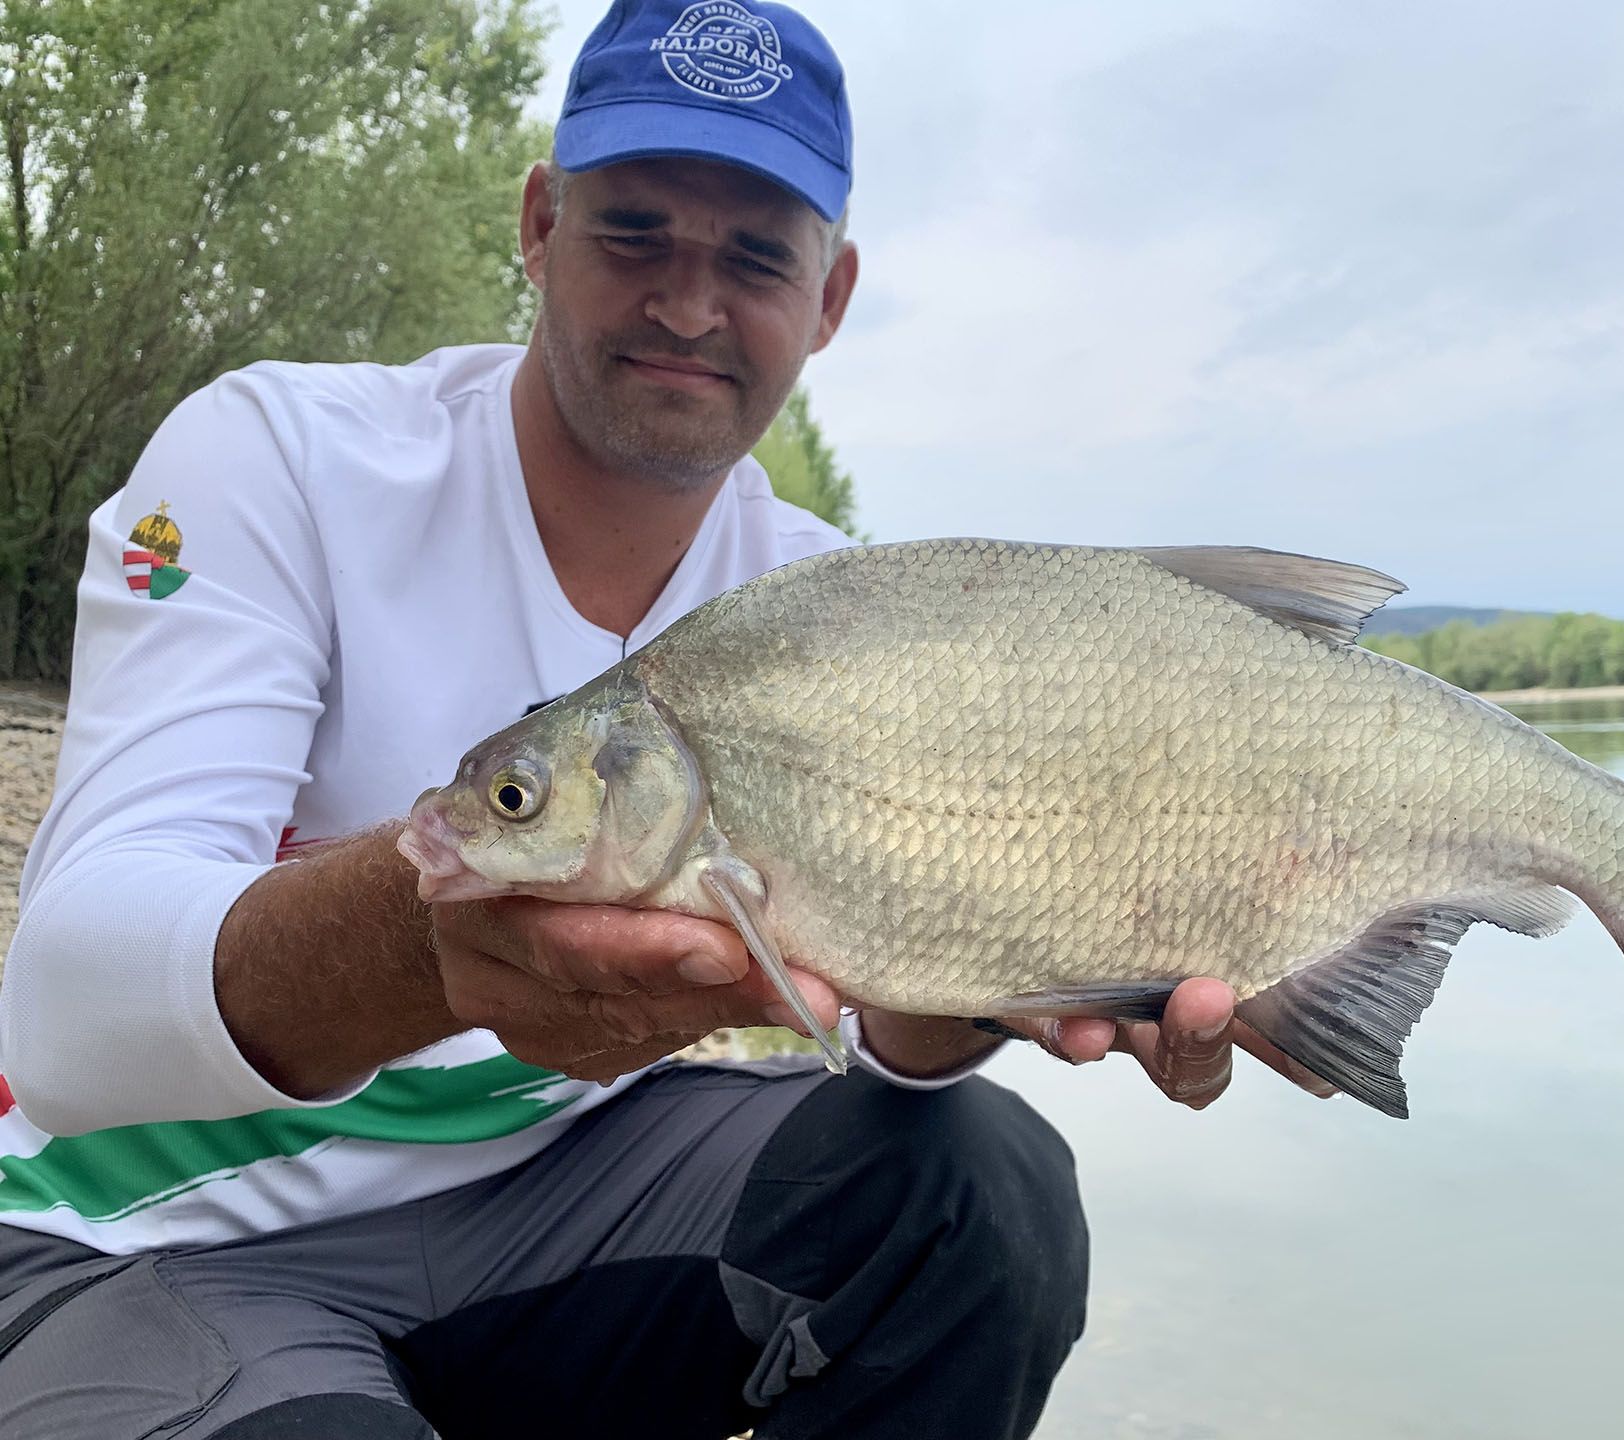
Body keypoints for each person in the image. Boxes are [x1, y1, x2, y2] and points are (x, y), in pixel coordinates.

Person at [0, 2, 1328, 1435]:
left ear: (829, 297)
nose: (690, 306)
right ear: (538, 225)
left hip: (556, 1206)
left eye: (757, 257)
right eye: (636, 234)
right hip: (138, 1238)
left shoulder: (822, 603)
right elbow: (66, 1016)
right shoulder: (278, 458)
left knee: (979, 1190)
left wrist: (1026, 965)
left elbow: (887, 1043)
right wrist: (429, 940)